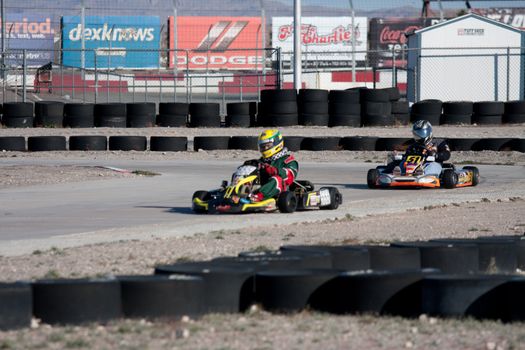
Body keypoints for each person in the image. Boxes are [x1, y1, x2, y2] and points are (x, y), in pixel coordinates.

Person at [242, 129, 299, 203]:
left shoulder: (288, 160)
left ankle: (258, 197)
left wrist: (275, 170)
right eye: (263, 146)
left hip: (281, 192)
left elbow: (290, 175)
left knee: (277, 179)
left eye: (268, 146)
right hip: (262, 187)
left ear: (278, 143)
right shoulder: (261, 161)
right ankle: (235, 193)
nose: (265, 148)